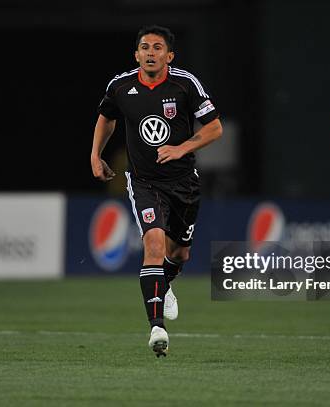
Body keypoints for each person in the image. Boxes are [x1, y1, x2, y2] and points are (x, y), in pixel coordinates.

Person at [91, 25, 222, 356]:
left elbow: (214, 128)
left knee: (179, 253)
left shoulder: (185, 84)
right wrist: (96, 154)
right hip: (144, 181)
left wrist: (180, 149)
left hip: (183, 182)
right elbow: (106, 118)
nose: (151, 52)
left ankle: (165, 284)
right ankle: (157, 329)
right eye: (145, 47)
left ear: (169, 55)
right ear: (136, 54)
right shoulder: (121, 86)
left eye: (157, 48)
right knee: (153, 243)